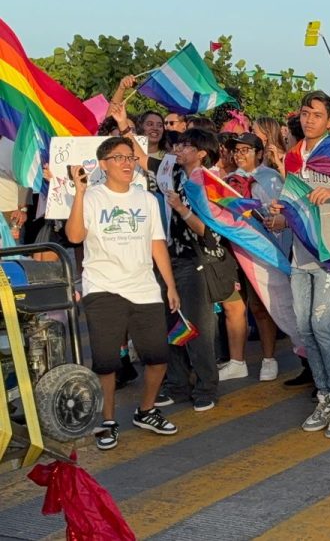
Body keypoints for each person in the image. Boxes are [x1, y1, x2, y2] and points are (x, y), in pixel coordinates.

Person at [65, 136, 180, 450]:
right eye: (119, 158)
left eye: (130, 157)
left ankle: (146, 410)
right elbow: (74, 236)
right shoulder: (91, 197)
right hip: (102, 287)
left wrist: (168, 284)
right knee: (106, 362)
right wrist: (79, 192)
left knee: (158, 356)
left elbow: (157, 243)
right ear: (103, 164)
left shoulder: (146, 199)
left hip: (144, 287)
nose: (128, 163)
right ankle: (108, 421)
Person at [270, 91, 330, 438]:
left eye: (317, 115)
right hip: (300, 250)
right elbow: (291, 201)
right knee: (305, 328)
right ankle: (324, 397)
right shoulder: (294, 156)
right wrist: (280, 216)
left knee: (323, 325)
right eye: (306, 113)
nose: (309, 120)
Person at [158, 129, 227, 412]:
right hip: (170, 256)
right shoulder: (172, 177)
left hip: (196, 260)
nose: (180, 149)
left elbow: (210, 232)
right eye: (179, 144)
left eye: (187, 145)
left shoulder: (209, 183)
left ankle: (206, 386)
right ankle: (177, 383)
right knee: (172, 323)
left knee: (199, 326)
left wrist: (182, 209)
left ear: (201, 153)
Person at [225, 132, 292, 381]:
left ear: (260, 153)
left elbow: (280, 213)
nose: (240, 155)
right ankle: (236, 360)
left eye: (246, 150)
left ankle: (268, 358)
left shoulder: (270, 179)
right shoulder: (227, 180)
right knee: (234, 306)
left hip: (261, 251)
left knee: (261, 307)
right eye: (237, 150)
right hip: (234, 251)